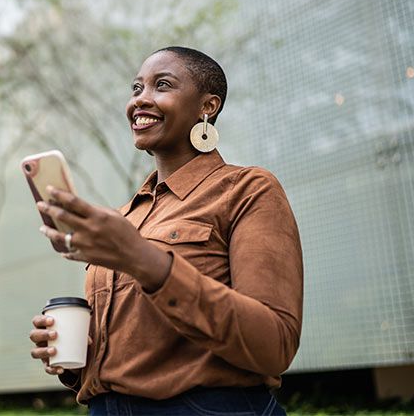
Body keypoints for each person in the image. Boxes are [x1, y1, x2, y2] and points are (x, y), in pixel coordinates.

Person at [28, 46, 303, 416]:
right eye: (136, 88)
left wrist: (142, 258)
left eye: (162, 85)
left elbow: (274, 346)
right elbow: (142, 346)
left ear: (208, 106)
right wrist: (76, 356)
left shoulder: (248, 189)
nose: (140, 99)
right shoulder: (124, 218)